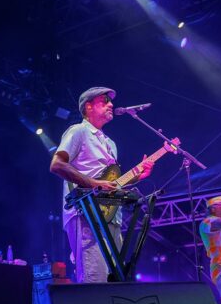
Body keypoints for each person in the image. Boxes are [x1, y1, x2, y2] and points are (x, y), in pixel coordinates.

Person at [50, 86, 154, 283]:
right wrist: (94, 184)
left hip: (111, 215)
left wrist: (138, 176)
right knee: (94, 277)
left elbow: (112, 184)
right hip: (86, 214)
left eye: (111, 101)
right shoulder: (78, 131)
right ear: (88, 107)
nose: (111, 104)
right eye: (105, 101)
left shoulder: (110, 143)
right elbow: (57, 164)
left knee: (115, 280)